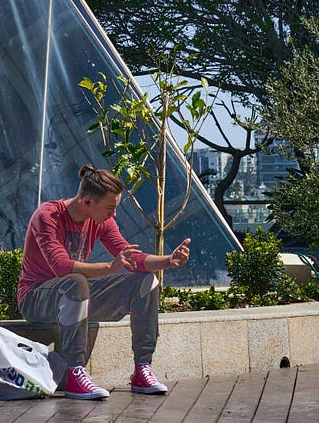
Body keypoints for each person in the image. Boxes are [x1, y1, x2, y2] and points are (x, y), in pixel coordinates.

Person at [17, 165, 191, 400]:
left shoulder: (101, 221)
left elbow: (133, 259)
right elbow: (61, 266)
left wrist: (169, 260)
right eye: (110, 208)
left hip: (75, 296)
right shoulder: (48, 216)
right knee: (76, 282)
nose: (114, 214)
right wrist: (110, 267)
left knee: (146, 281)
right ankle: (75, 373)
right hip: (36, 298)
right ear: (88, 202)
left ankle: (142, 369)